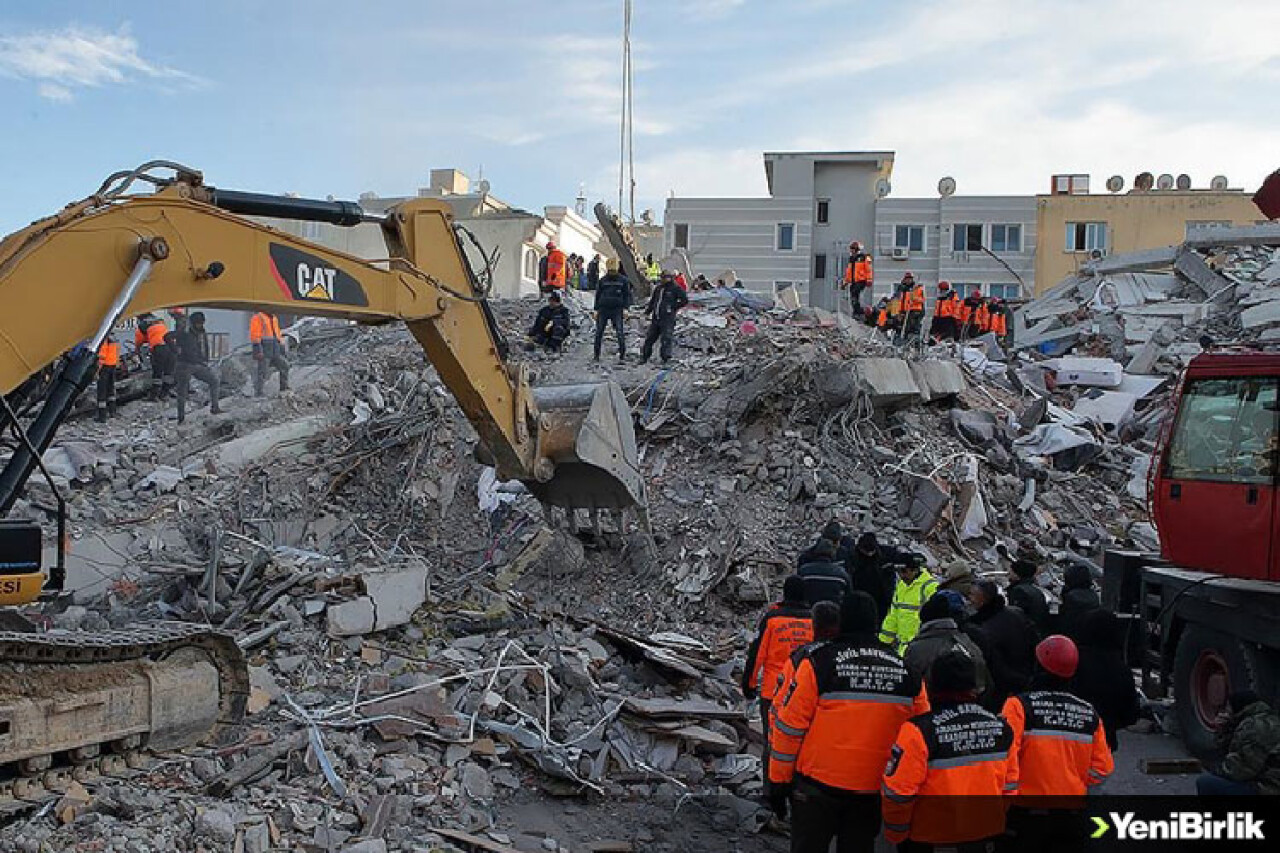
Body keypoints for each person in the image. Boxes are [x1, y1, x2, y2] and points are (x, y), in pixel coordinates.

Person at [770, 592, 928, 853]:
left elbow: (790, 727)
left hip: (816, 787)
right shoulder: (908, 672)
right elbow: (920, 738)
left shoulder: (819, 663)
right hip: (871, 790)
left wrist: (778, 783)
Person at [881, 650, 1018, 851]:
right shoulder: (1002, 728)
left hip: (930, 837)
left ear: (932, 685)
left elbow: (898, 792)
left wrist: (897, 833)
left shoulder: (919, 730)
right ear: (974, 687)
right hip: (981, 833)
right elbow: (1010, 784)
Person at [1002, 636, 1113, 852]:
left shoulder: (1018, 706)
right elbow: (1102, 769)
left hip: (1025, 813)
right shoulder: (1088, 713)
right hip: (1071, 815)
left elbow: (1005, 759)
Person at [743, 576, 815, 794]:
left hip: (773, 691)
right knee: (802, 743)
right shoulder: (814, 620)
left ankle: (770, 791)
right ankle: (797, 791)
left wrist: (749, 683)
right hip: (805, 692)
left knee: (772, 743)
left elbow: (757, 655)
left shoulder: (773, 619)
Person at [1069, 609, 1140, 752]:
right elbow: (1130, 715)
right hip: (1105, 740)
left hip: (1072, 739)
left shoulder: (1073, 663)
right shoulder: (1121, 669)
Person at [904, 593, 990, 700]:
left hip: (931, 708)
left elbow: (908, 686)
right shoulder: (967, 643)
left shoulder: (918, 649)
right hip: (973, 708)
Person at [966, 580, 1037, 709]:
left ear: (983, 599)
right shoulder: (1016, 614)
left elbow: (994, 664)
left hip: (1002, 688)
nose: (969, 599)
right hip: (1025, 679)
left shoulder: (985, 629)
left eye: (972, 595)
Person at [1195, 692, 1280, 795]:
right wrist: (1224, 730)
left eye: (1227, 708)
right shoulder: (1268, 719)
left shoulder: (1255, 727)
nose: (1225, 712)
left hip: (1270, 788)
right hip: (1268, 782)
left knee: (1206, 782)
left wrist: (1214, 768)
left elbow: (1241, 770)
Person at [880, 552, 938, 654]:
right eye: (898, 572)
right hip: (903, 648)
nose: (901, 575)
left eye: (904, 571)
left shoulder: (930, 587)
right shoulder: (902, 586)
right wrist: (882, 643)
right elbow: (893, 616)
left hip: (921, 649)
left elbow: (934, 622)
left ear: (915, 570)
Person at [173, 312, 222, 424]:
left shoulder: (201, 332)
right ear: (193, 323)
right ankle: (181, 418)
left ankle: (215, 408)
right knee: (182, 391)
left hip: (196, 364)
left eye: (202, 323)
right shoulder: (184, 332)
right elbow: (166, 337)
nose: (201, 325)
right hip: (184, 365)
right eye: (199, 323)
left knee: (214, 380)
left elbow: (204, 346)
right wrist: (175, 349)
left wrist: (204, 360)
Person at [845, 532, 896, 624]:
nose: (869, 554)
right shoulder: (852, 556)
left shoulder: (887, 554)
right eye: (866, 551)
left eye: (872, 551)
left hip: (881, 599)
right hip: (859, 598)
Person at [640, 271, 688, 365]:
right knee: (650, 338)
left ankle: (666, 359)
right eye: (663, 277)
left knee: (666, 339)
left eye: (666, 277)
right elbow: (653, 301)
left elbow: (684, 300)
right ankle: (645, 357)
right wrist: (647, 312)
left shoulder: (675, 288)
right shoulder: (659, 289)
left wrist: (673, 307)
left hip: (667, 319)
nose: (664, 279)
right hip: (656, 318)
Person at [592, 258, 631, 363]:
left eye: (613, 271)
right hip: (603, 309)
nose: (611, 273)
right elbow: (598, 295)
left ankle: (622, 355)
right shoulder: (603, 280)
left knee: (619, 332)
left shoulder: (623, 280)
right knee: (599, 332)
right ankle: (596, 356)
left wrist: (626, 309)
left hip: (617, 310)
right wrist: (595, 309)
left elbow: (627, 295)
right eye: (610, 271)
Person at [796, 539, 851, 606]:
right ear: (833, 554)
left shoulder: (803, 570)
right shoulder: (841, 573)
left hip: (808, 610)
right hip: (833, 610)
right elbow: (849, 595)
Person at [1006, 559, 1051, 638]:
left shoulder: (1019, 591)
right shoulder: (1037, 591)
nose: (1009, 573)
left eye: (1012, 571)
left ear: (1017, 574)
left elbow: (1015, 617)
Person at [249, 310, 290, 396]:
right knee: (262, 372)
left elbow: (277, 334)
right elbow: (255, 335)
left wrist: (282, 348)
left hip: (275, 349)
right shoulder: (258, 317)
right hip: (265, 349)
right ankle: (259, 392)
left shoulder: (274, 318)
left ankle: (284, 387)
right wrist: (258, 350)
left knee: (285, 366)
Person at [1057, 564, 1100, 639]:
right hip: (1089, 635)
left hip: (1072, 636)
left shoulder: (1071, 597)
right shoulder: (1094, 595)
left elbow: (1063, 618)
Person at [134, 313, 172, 400]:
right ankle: (164, 394)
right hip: (170, 347)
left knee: (157, 372)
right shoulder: (160, 322)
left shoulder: (142, 326)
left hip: (159, 348)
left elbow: (139, 341)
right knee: (167, 372)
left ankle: (153, 396)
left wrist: (136, 351)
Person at [95, 335, 121, 422]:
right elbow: (117, 353)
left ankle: (102, 416)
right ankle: (112, 412)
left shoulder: (104, 340)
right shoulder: (114, 339)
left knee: (102, 391)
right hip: (112, 366)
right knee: (111, 389)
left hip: (104, 367)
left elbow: (102, 356)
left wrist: (97, 370)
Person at [843, 241, 874, 313]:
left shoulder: (864, 257)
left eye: (853, 249)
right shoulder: (852, 259)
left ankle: (859, 311)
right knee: (853, 296)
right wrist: (845, 282)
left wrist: (869, 279)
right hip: (854, 281)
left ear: (857, 249)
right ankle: (856, 311)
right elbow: (849, 272)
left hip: (861, 280)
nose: (851, 250)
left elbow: (868, 269)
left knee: (855, 292)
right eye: (851, 249)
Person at [899, 273, 926, 340]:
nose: (908, 280)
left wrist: (914, 299)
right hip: (905, 310)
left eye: (910, 279)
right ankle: (905, 339)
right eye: (907, 279)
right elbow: (900, 300)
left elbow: (922, 300)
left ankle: (914, 339)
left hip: (915, 309)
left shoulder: (917, 288)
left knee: (912, 325)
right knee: (903, 326)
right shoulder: (903, 288)